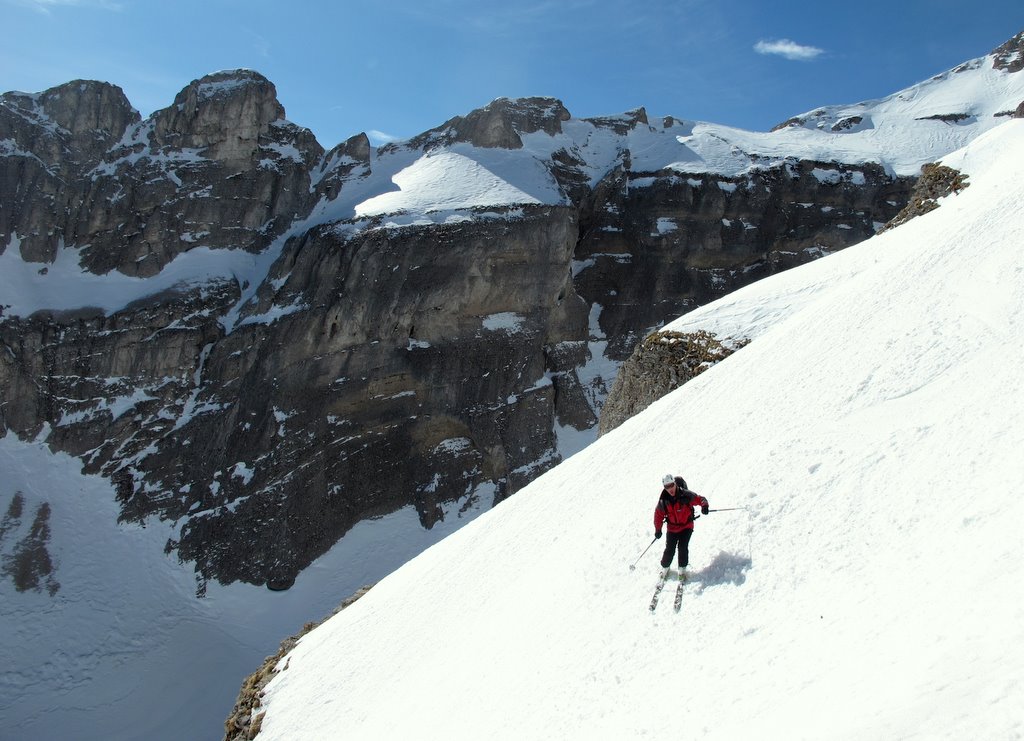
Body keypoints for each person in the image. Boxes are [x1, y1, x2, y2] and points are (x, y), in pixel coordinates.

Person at [654, 473, 709, 574]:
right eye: (667, 486)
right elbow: (658, 515)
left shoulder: (685, 494)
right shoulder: (663, 501)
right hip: (672, 528)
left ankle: (682, 569)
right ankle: (665, 567)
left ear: (674, 484)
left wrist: (704, 506)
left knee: (682, 547)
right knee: (669, 548)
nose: (670, 488)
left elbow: (700, 499)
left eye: (671, 485)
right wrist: (658, 530)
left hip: (686, 526)